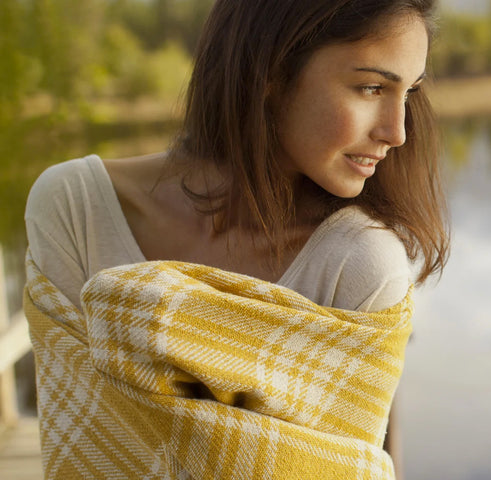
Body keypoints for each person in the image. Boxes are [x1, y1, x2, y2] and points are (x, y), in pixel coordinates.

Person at [22, 0, 448, 478]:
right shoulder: (75, 209)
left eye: (408, 93)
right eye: (371, 88)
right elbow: (77, 446)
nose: (398, 132)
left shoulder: (360, 262)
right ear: (269, 72)